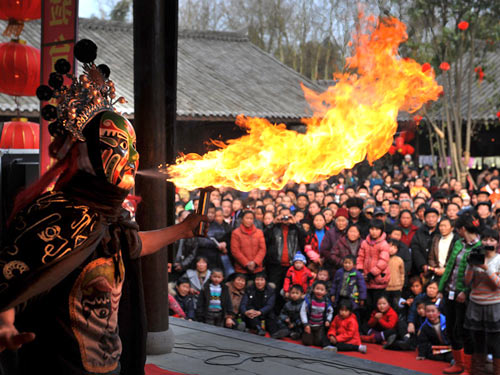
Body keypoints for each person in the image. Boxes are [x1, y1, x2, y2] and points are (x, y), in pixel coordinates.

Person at [0, 40, 206, 375]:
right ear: (85, 156)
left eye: (133, 148)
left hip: (110, 365)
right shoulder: (57, 215)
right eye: (117, 145)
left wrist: (183, 229)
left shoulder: (113, 220)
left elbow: (135, 245)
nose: (133, 159)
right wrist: (5, 323)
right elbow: (14, 279)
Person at [438, 212, 482, 375]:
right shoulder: (458, 243)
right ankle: (458, 362)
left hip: (466, 296)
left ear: (463, 229)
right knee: (450, 328)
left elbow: (477, 275)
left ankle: (469, 368)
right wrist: (442, 287)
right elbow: (450, 266)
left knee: (464, 330)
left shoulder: (480, 247)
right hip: (450, 291)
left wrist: (465, 291)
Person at [464, 228, 500, 374]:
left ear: (497, 243)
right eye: (485, 239)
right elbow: (467, 282)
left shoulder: (498, 260)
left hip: (494, 305)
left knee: (495, 342)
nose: (488, 243)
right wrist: (472, 266)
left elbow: (498, 284)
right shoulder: (476, 256)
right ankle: (478, 370)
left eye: (492, 240)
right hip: (476, 304)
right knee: (478, 340)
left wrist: (486, 267)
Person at [356, 219, 391, 314]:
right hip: (366, 279)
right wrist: (360, 269)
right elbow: (360, 257)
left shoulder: (383, 244)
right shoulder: (364, 243)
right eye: (372, 229)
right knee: (367, 304)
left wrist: (372, 273)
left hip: (378, 279)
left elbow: (383, 262)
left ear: (381, 231)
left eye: (377, 229)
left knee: (378, 304)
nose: (374, 232)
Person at [230, 210, 266, 279]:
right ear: (242, 219)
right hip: (241, 269)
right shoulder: (236, 233)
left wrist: (255, 262)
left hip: (257, 268)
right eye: (247, 218)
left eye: (251, 218)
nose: (249, 220)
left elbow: (262, 249)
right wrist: (246, 263)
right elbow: (235, 251)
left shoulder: (259, 232)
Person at [240, 272, 278, 336]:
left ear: (265, 281)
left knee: (271, 316)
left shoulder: (270, 290)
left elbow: (270, 305)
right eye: (257, 280)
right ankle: (259, 329)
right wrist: (245, 312)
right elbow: (243, 303)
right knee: (251, 313)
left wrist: (260, 312)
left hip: (264, 312)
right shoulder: (249, 289)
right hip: (253, 312)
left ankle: (275, 333)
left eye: (262, 280)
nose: (259, 282)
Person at [300, 280, 333, 348]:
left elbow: (330, 311)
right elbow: (302, 311)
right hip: (309, 325)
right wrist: (306, 324)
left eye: (322, 289)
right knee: (307, 342)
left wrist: (328, 320)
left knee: (318, 343)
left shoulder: (326, 302)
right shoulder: (309, 299)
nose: (319, 291)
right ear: (313, 289)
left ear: (325, 292)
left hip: (320, 326)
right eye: (317, 288)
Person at [320, 207, 349, 276]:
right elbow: (324, 250)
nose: (341, 223)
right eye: (339, 221)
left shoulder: (350, 232)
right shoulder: (330, 233)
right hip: (333, 266)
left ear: (347, 222)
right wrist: (337, 260)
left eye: (343, 221)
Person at [411, 207, 439, 277]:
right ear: (424, 218)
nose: (431, 219)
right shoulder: (419, 232)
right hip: (421, 268)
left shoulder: (441, 231)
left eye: (433, 217)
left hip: (438, 267)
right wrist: (422, 264)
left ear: (438, 218)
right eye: (428, 217)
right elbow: (415, 249)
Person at [386, 239, 405, 311]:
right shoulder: (383, 259)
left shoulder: (399, 260)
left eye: (395, 247)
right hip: (385, 287)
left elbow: (402, 273)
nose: (392, 249)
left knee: (396, 307)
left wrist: (401, 285)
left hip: (397, 287)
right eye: (390, 246)